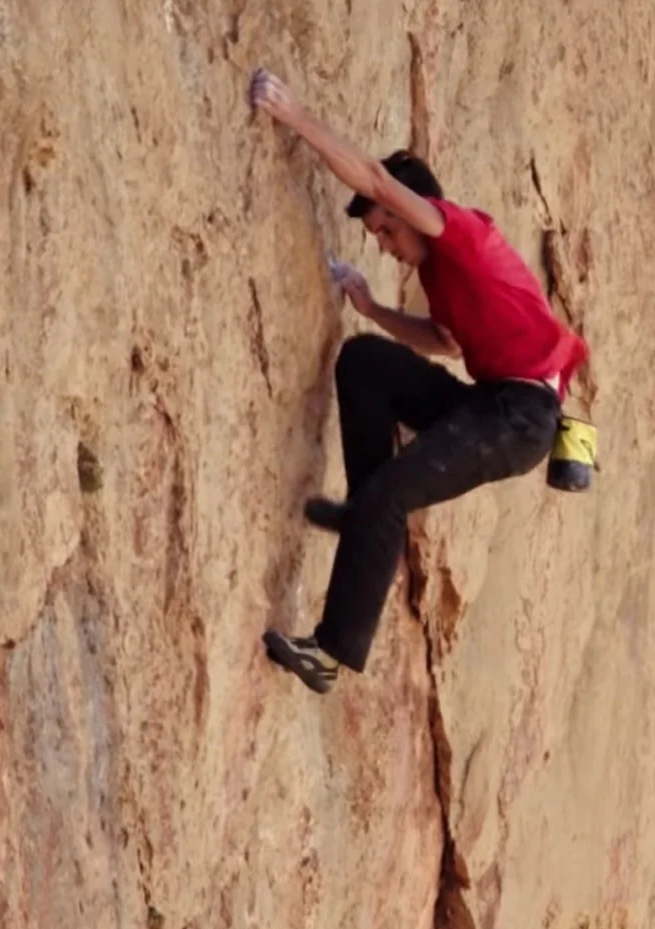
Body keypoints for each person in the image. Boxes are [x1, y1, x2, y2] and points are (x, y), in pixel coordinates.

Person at [248, 68, 590, 694]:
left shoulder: (459, 232)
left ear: (414, 209)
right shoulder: (441, 273)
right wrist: (373, 310)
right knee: (365, 362)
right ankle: (365, 513)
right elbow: (445, 342)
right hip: (488, 402)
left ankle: (330, 654)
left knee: (390, 497)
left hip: (520, 420)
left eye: (387, 228)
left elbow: (376, 181)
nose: (384, 244)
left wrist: (293, 115)